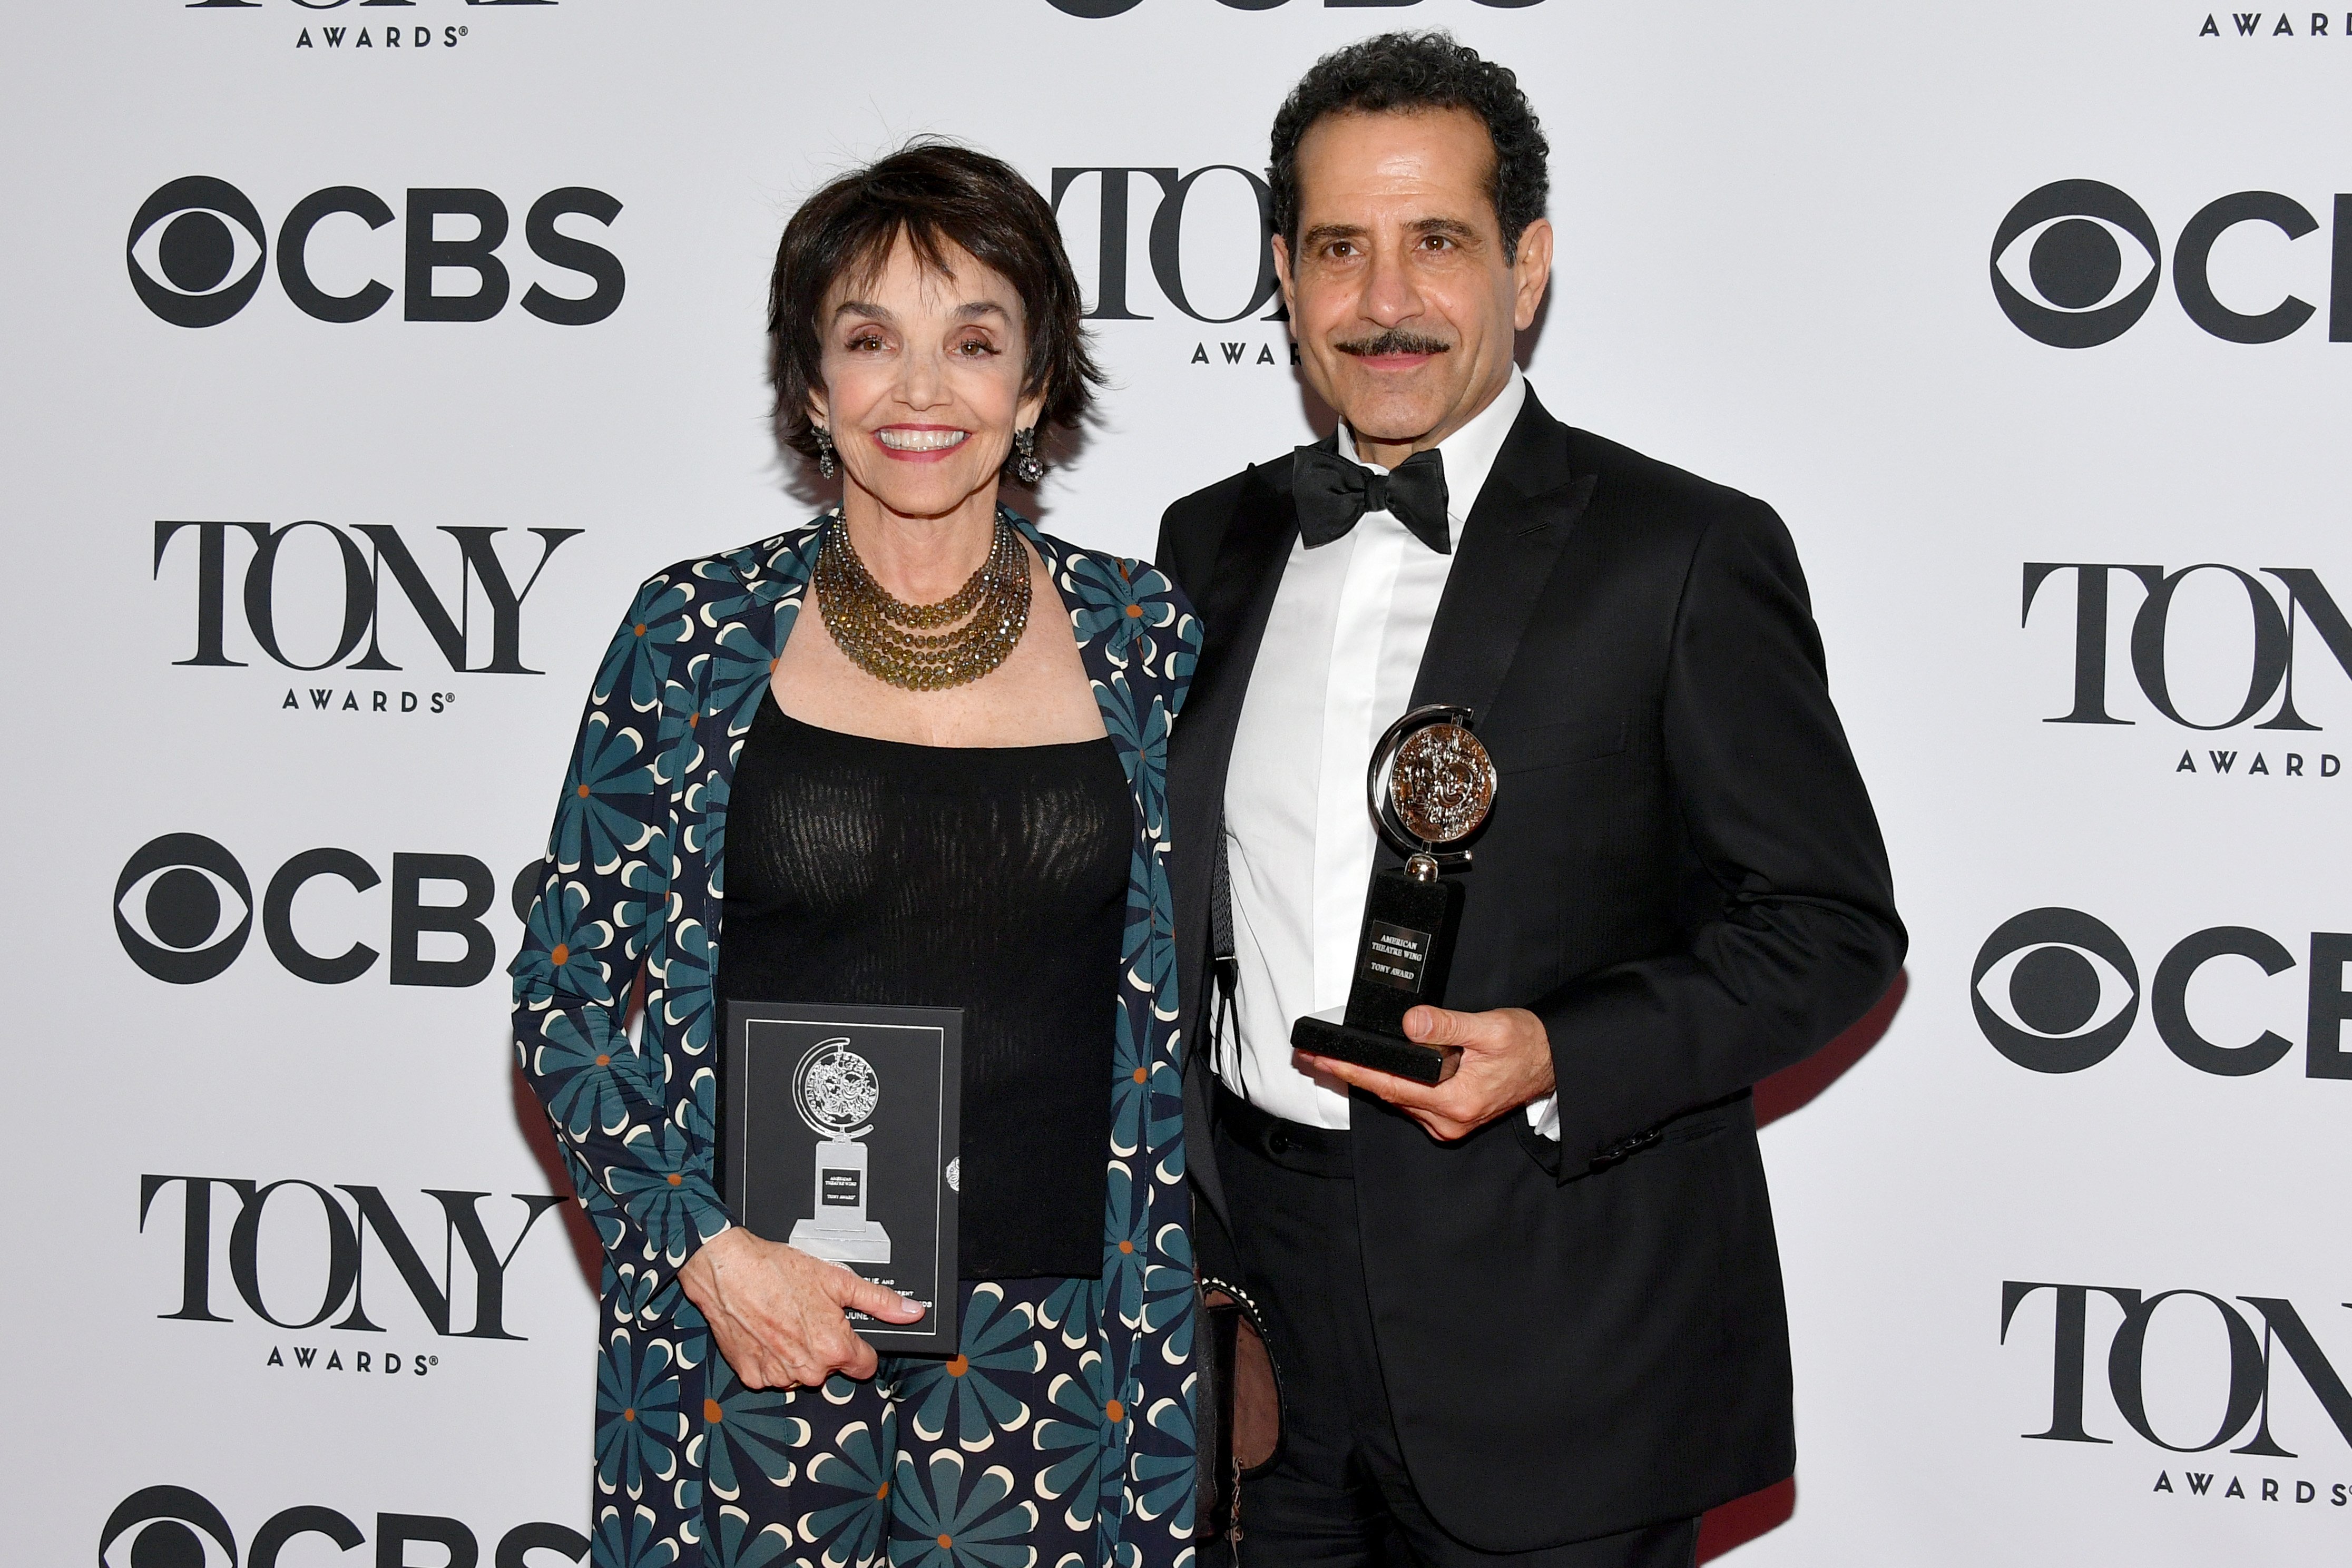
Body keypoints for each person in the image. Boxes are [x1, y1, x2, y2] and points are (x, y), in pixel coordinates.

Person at [1158, 33, 1905, 1568]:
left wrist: (1564, 1050)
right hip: (1251, 1325)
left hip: (1557, 1323)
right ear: (1284, 278)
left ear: (1530, 265)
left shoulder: (1682, 552)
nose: (1385, 301)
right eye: (1339, 249)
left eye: (1437, 241)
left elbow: (1830, 927)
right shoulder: (1207, 546)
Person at [512, 141, 1201, 1568]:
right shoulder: (690, 634)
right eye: (871, 340)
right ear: (814, 389)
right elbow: (569, 999)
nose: (923, 392)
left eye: (975, 341)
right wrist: (704, 1248)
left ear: (1038, 385)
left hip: (1072, 1359)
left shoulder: (1149, 641)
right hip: (760, 1340)